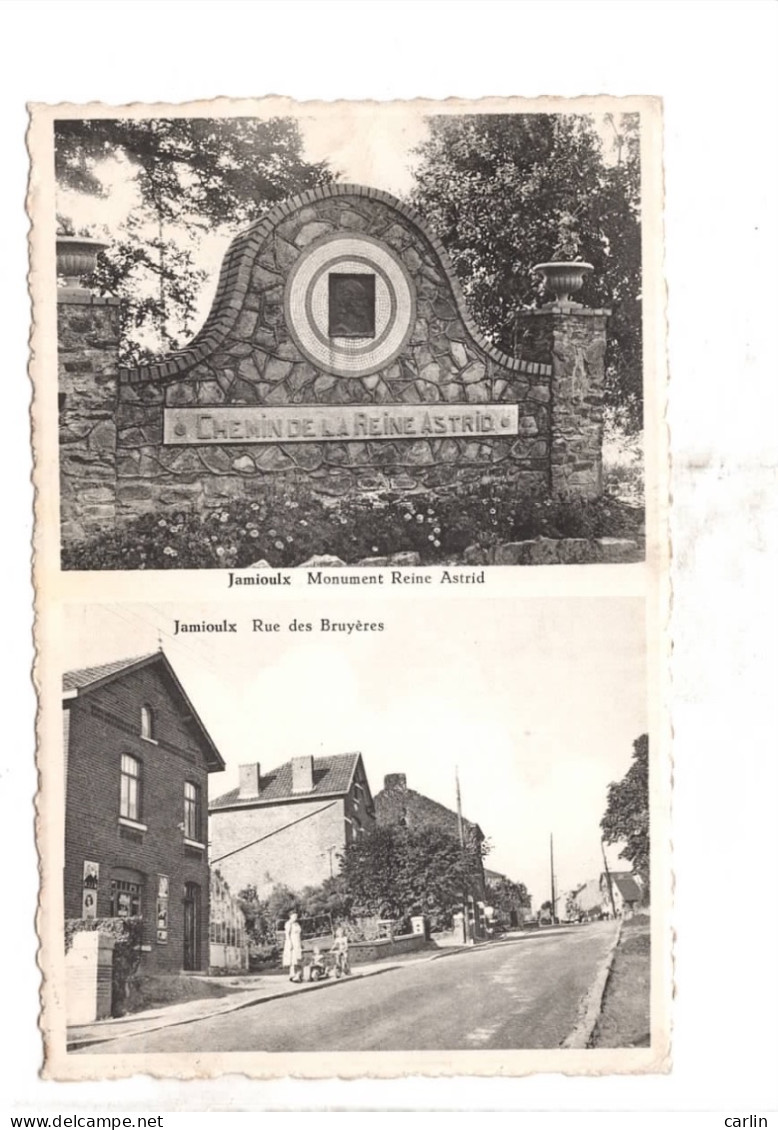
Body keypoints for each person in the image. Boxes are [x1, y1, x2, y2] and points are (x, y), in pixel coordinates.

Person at [283, 911, 303, 982]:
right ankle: (292, 974)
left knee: (297, 959)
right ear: (290, 916)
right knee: (293, 959)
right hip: (292, 942)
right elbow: (287, 934)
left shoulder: (296, 924)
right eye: (294, 916)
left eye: (296, 916)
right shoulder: (288, 924)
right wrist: (290, 943)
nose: (295, 917)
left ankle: (298, 974)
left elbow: (299, 933)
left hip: (297, 941)